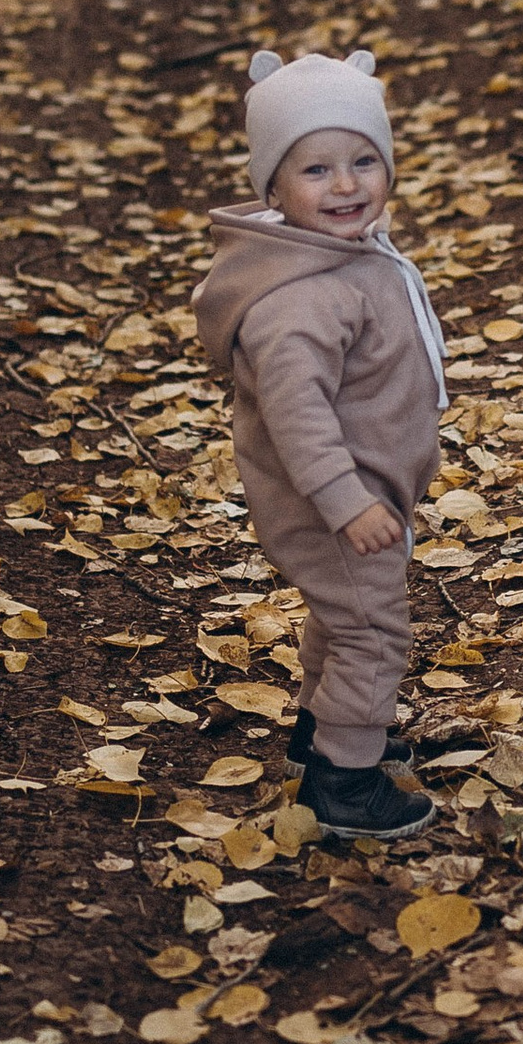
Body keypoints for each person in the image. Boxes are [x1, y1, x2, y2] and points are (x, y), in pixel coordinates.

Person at [194, 49, 448, 841]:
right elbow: (297, 414)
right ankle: (345, 777)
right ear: (271, 186)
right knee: (375, 632)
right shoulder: (297, 298)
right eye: (315, 170)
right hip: (337, 501)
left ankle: (318, 732)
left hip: (370, 487)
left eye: (364, 161)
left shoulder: (349, 252)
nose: (345, 185)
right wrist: (345, 503)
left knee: (344, 619)